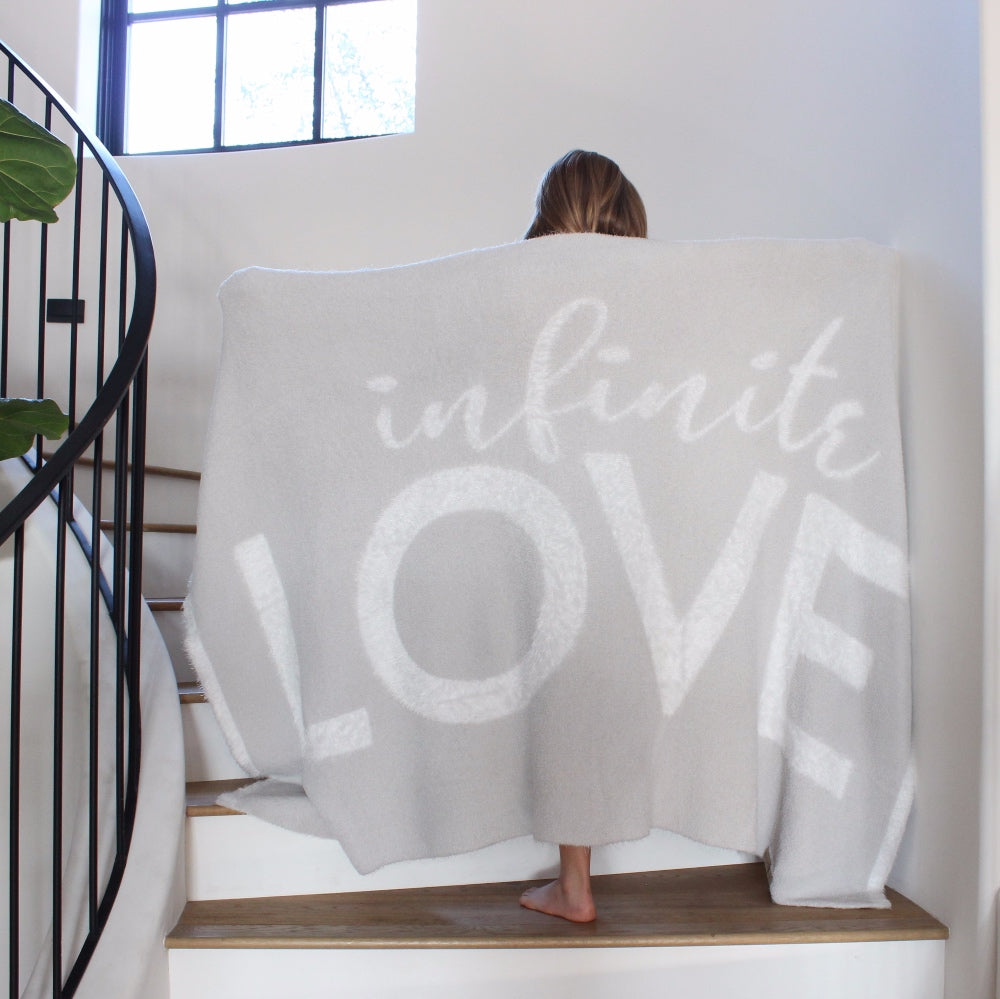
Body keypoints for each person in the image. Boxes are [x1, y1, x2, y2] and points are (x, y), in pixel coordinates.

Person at [517, 149, 647, 924]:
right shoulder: (646, 291)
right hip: (629, 509)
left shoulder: (524, 287)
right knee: (596, 680)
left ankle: (575, 883)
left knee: (565, 685)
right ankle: (574, 881)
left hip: (552, 505)